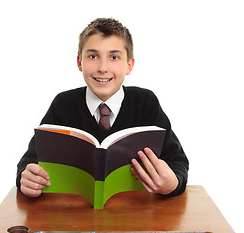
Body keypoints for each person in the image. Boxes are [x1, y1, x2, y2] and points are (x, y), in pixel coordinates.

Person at [16, 18, 189, 198]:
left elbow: (177, 160)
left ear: (129, 65)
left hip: (134, 213)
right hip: (74, 215)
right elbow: (30, 162)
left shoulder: (146, 103)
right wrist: (26, 178)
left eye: (114, 57)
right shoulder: (63, 104)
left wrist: (172, 183)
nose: (102, 68)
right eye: (93, 56)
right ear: (79, 62)